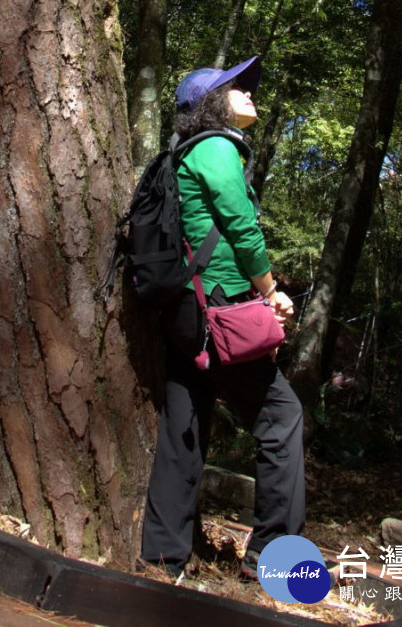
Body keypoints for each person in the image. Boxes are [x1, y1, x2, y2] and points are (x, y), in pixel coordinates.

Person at [140, 55, 305, 580]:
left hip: (189, 313)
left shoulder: (189, 151)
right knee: (282, 419)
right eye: (237, 87)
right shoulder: (216, 146)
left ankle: (163, 559)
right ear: (211, 103)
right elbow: (238, 223)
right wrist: (270, 290)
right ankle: (273, 562)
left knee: (184, 426)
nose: (250, 93)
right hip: (221, 312)